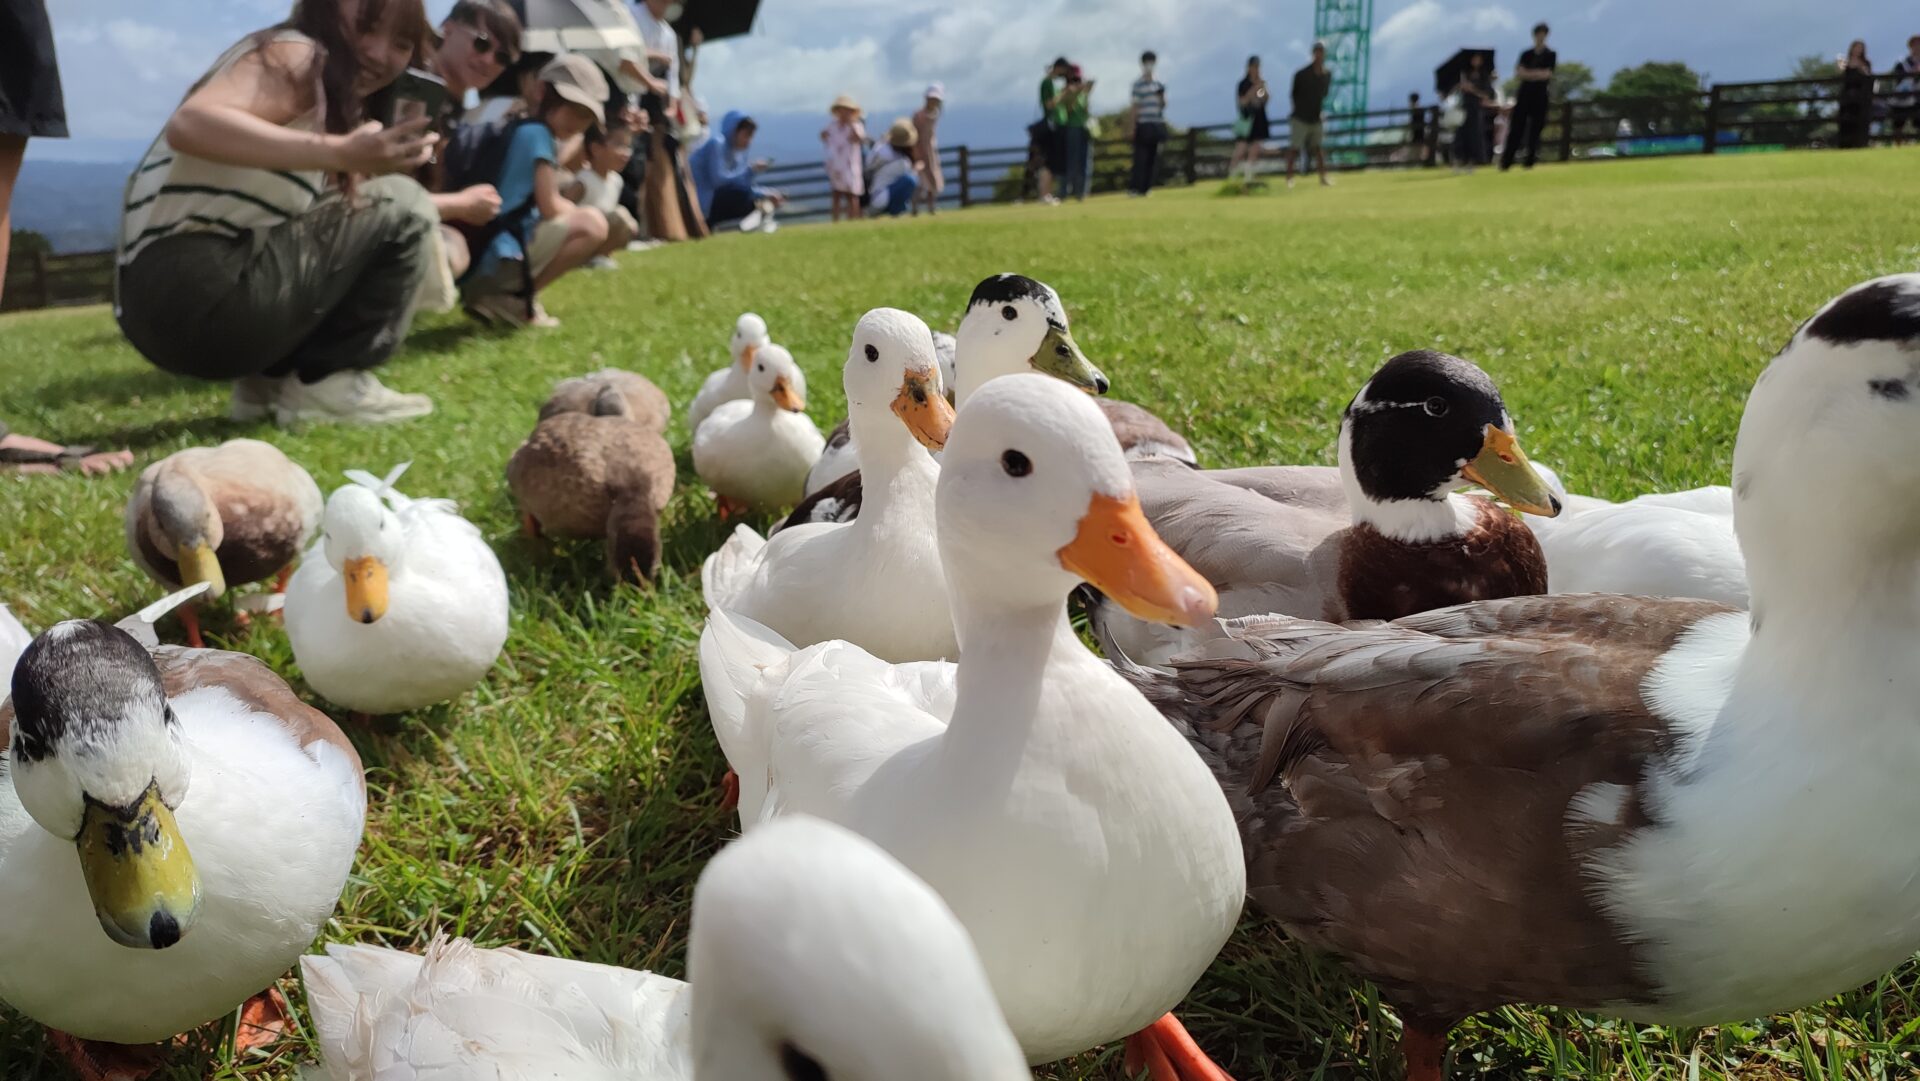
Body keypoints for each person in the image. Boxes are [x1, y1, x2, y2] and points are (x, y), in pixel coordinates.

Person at [115, 0, 441, 426]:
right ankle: (330, 385)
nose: (379, 53)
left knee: (358, 208)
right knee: (406, 203)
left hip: (150, 305)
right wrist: (341, 152)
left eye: (400, 43)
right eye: (366, 27)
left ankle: (265, 386)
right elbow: (190, 124)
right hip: (196, 287)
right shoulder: (299, 52)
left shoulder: (314, 88)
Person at [459, 55, 611, 328]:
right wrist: (580, 212)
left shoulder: (520, 128)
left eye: (587, 117)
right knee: (594, 225)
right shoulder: (539, 136)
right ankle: (515, 301)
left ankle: (503, 297)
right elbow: (549, 206)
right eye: (573, 109)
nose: (578, 122)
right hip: (500, 255)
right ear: (542, 92)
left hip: (485, 252)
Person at [421, 0, 518, 281]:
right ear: (447, 29)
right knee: (452, 252)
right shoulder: (414, 91)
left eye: (502, 58)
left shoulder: (458, 110)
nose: (489, 61)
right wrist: (460, 203)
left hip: (420, 214)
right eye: (482, 43)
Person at [629, 0, 706, 241]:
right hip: (632, 98)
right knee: (634, 166)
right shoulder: (630, 15)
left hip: (659, 109)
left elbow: (673, 78)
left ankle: (661, 227)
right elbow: (625, 54)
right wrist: (656, 57)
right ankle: (636, 230)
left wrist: (672, 106)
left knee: (659, 167)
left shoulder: (668, 33)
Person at [690, 110, 782, 232]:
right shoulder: (717, 144)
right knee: (743, 196)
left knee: (752, 197)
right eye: (746, 135)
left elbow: (741, 184)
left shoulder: (737, 154)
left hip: (716, 201)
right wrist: (750, 170)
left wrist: (765, 193)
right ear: (734, 131)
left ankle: (757, 222)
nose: (749, 141)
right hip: (702, 203)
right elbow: (719, 181)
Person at [577, 122, 639, 265]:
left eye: (628, 146)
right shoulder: (584, 181)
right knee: (620, 215)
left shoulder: (616, 181)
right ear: (596, 149)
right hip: (584, 234)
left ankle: (601, 254)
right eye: (619, 145)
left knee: (624, 218)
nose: (626, 153)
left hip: (602, 233)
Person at [1502, 23, 1555, 170]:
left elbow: (1547, 74)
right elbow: (1520, 72)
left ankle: (1530, 160)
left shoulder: (1550, 54)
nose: (1540, 36)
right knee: (1517, 127)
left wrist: (1530, 74)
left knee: (1536, 128)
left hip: (1540, 95)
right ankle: (1507, 161)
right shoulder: (1526, 54)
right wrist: (1537, 74)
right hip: (1524, 93)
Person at [1285, 42, 1333, 189]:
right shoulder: (1301, 74)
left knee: (1318, 149)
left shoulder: (1326, 75)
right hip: (1300, 117)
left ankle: (1323, 177)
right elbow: (1293, 95)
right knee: (1294, 148)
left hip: (1316, 117)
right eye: (1317, 52)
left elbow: (1324, 95)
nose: (1319, 55)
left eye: (1321, 52)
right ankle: (1289, 178)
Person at [1127, 51, 1167, 196]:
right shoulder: (1138, 85)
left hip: (1157, 123)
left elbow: (1163, 105)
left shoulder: (1159, 83)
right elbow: (1134, 107)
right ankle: (1135, 188)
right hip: (1143, 124)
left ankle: (1146, 188)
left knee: (1153, 158)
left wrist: (1162, 97)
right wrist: (1132, 127)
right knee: (1140, 158)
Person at [822, 95, 866, 223]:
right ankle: (835, 220)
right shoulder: (832, 126)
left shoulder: (856, 125)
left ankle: (852, 219)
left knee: (852, 195)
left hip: (850, 164)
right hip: (836, 164)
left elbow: (860, 138)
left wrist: (852, 126)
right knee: (836, 193)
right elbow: (824, 137)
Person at [866, 119, 922, 217]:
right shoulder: (902, 162)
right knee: (910, 180)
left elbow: (869, 162)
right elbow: (911, 176)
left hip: (876, 196)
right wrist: (916, 169)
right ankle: (897, 210)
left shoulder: (881, 148)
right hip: (882, 199)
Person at [1229, 56, 1271, 186]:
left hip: (1259, 118)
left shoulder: (1261, 83)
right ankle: (1232, 175)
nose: (1256, 69)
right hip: (1247, 119)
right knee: (1240, 149)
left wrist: (1263, 89)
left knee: (1255, 148)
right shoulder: (1243, 84)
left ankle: (1248, 176)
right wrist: (1254, 88)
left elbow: (1264, 99)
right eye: (1254, 66)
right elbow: (1243, 101)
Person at [1036, 57, 1072, 204]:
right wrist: (1064, 93)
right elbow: (1049, 104)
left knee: (1053, 162)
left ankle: (1047, 194)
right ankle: (1045, 194)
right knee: (1049, 162)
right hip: (1052, 125)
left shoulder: (1052, 83)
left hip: (1059, 125)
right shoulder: (1047, 83)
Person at [1057, 65, 1094, 201]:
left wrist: (1087, 94)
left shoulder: (1083, 94)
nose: (1077, 83)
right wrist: (1075, 93)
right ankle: (1064, 192)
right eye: (1074, 80)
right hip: (1072, 128)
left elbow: (1086, 111)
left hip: (1084, 128)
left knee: (1085, 161)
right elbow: (1068, 110)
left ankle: (1082, 192)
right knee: (1070, 161)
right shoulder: (1065, 93)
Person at [1453, 52, 1494, 173]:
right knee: (1460, 135)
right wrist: (1461, 87)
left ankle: (1472, 162)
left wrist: (1472, 89)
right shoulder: (1464, 74)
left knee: (1474, 135)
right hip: (1464, 108)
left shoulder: (1484, 76)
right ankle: (1459, 160)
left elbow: (1487, 95)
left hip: (1476, 109)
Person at [911, 84, 944, 215]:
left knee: (933, 178)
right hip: (919, 150)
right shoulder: (918, 115)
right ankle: (915, 208)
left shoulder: (935, 114)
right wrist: (915, 152)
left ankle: (932, 207)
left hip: (931, 151)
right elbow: (913, 134)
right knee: (920, 181)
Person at [1837, 41, 1875, 149]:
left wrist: (1861, 68)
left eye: (1860, 48)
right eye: (1856, 47)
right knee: (1846, 122)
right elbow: (1841, 74)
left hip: (1861, 98)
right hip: (1847, 97)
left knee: (1860, 122)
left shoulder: (1865, 63)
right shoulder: (1845, 62)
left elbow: (1869, 76)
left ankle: (1860, 144)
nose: (1858, 50)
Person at [1892, 36, 1920, 146]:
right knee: (1899, 124)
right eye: (1915, 44)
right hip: (1903, 99)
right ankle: (1898, 146)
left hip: (1918, 98)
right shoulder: (1902, 63)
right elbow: (1897, 79)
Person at [1407, 92, 1429, 164]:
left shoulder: (1414, 110)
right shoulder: (1420, 109)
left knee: (1415, 154)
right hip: (1420, 135)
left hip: (1416, 136)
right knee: (1418, 153)